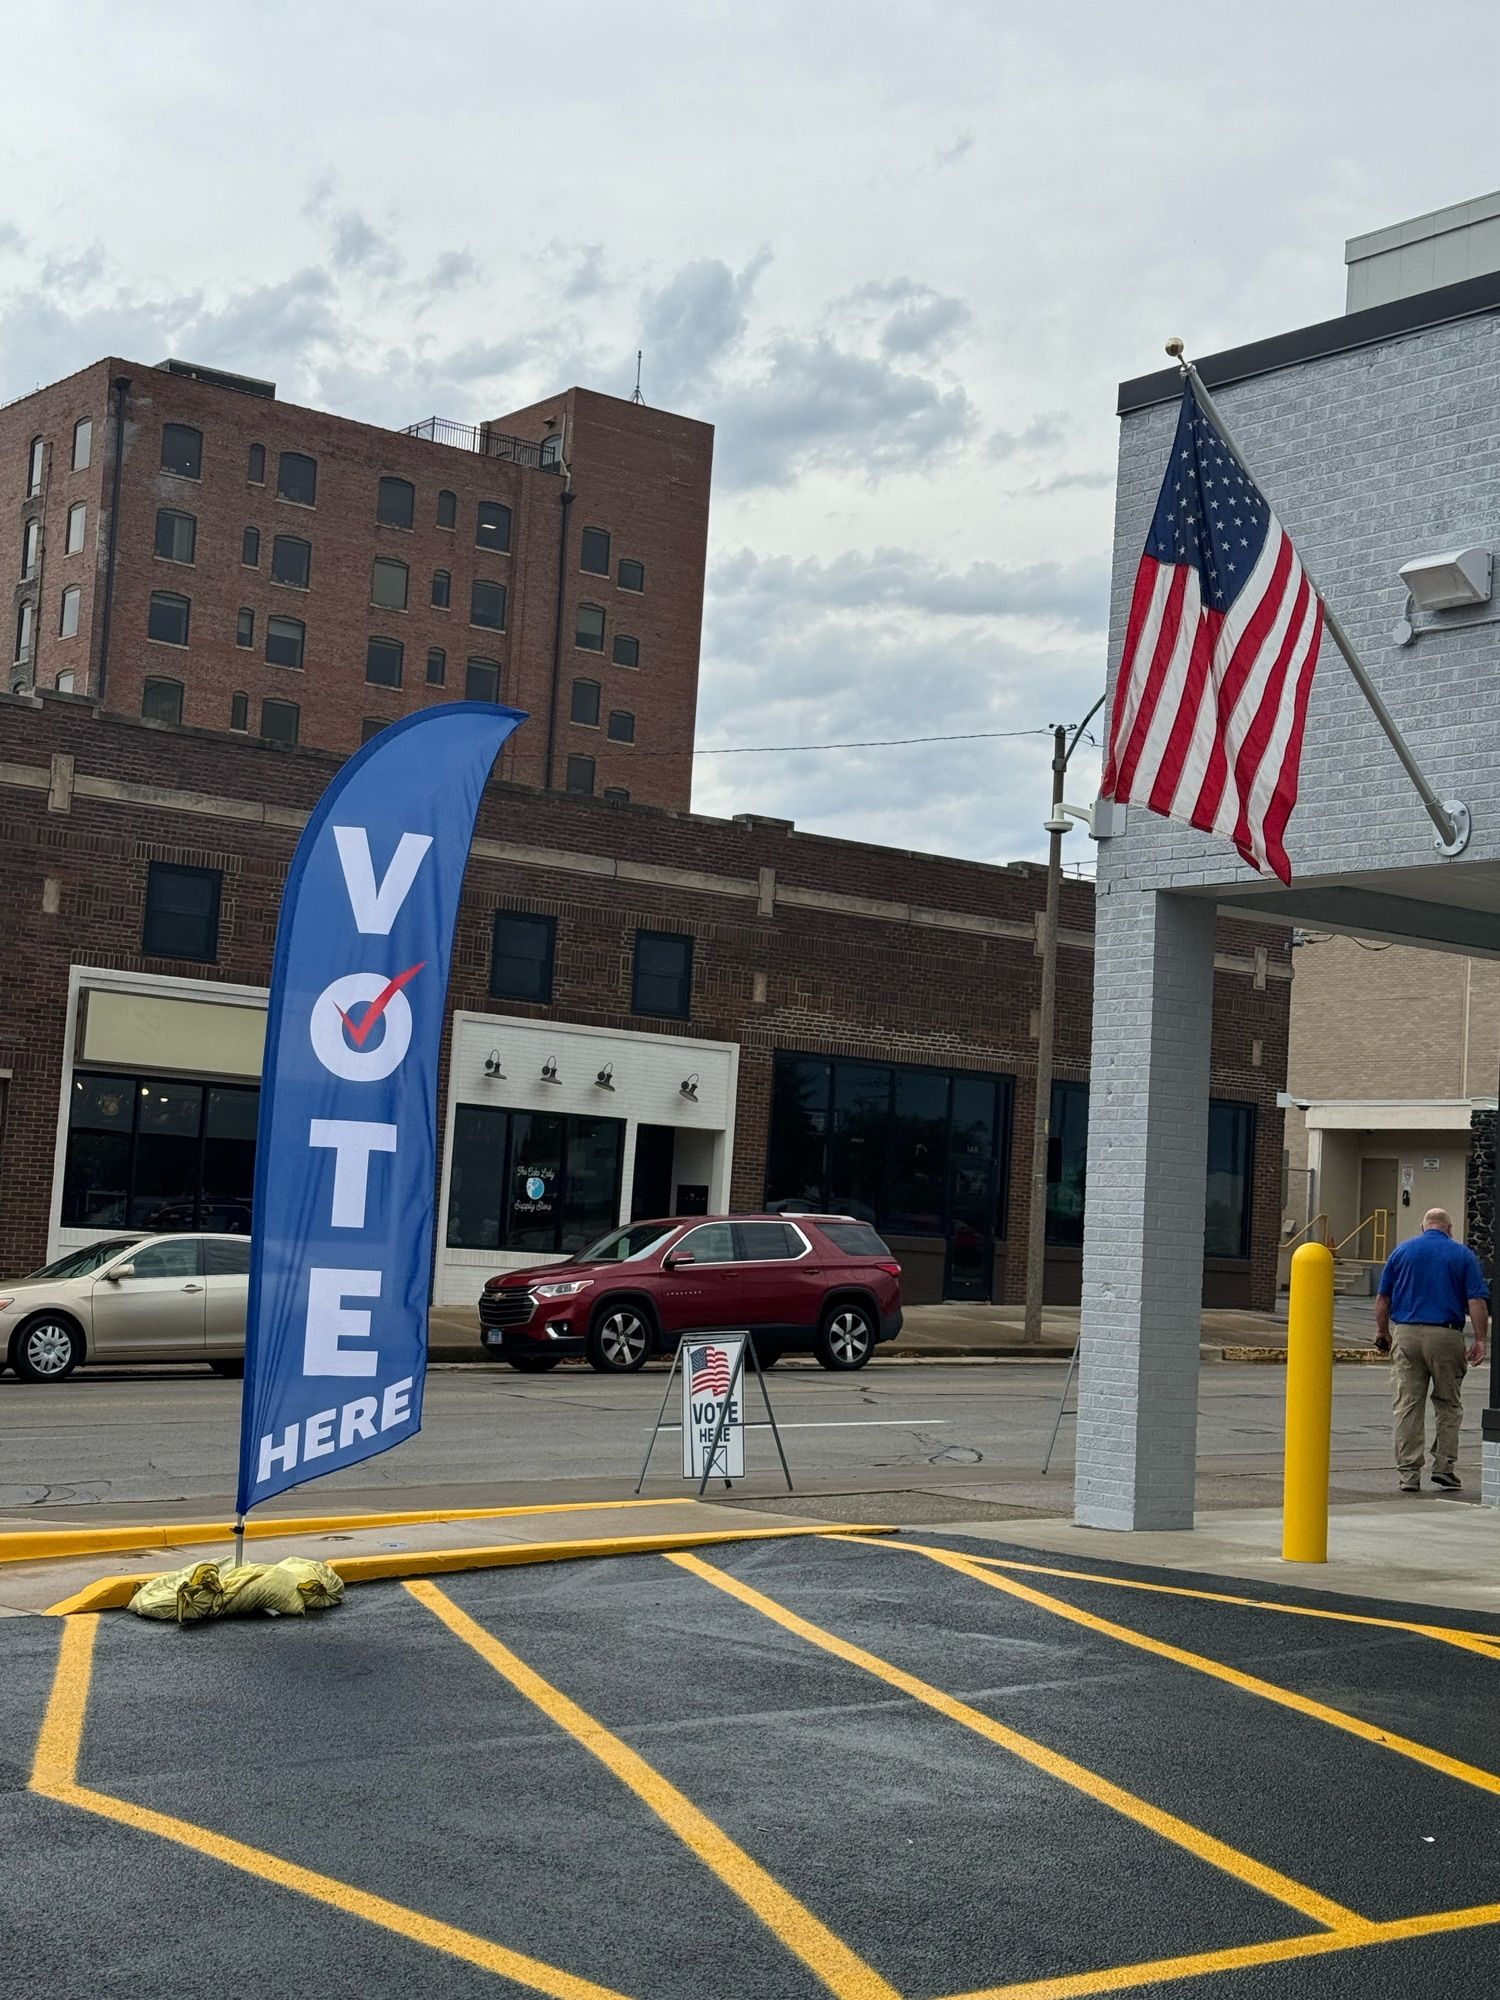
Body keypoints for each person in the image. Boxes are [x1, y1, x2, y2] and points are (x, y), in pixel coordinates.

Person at [1373, 1208, 1488, 1492]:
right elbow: (1476, 1300)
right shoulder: (1462, 1254)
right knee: (1448, 1403)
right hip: (1445, 1333)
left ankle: (1409, 1474)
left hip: (1407, 1333)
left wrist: (1383, 1332)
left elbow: (1383, 1296)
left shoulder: (1402, 1252)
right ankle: (1444, 1467)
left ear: (1423, 1227)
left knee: (1408, 1405)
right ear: (1449, 1229)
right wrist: (1480, 1339)